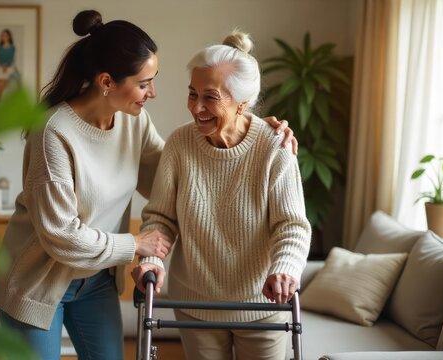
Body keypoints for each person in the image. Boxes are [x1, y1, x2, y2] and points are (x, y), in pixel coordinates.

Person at [0, 10, 296, 360]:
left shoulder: (133, 124)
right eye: (143, 83)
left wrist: (252, 130)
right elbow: (61, 235)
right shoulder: (53, 133)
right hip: (38, 281)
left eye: (154, 79)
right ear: (107, 82)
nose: (152, 92)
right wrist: (135, 243)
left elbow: (182, 180)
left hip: (95, 281)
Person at [132, 30, 311, 360]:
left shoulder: (275, 146)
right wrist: (151, 260)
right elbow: (161, 219)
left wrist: (285, 267)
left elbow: (292, 226)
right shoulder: (179, 145)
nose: (197, 107)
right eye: (192, 94)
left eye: (210, 97)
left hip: (262, 305)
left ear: (242, 102)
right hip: (195, 304)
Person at [0, 29, 18, 102]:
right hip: (1, 66)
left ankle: (0, 100)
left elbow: (11, 59)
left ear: (9, 37)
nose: (4, 37)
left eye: (5, 35)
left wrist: (6, 66)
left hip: (9, 67)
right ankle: (0, 98)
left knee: (2, 81)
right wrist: (2, 66)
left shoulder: (12, 47)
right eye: (2, 36)